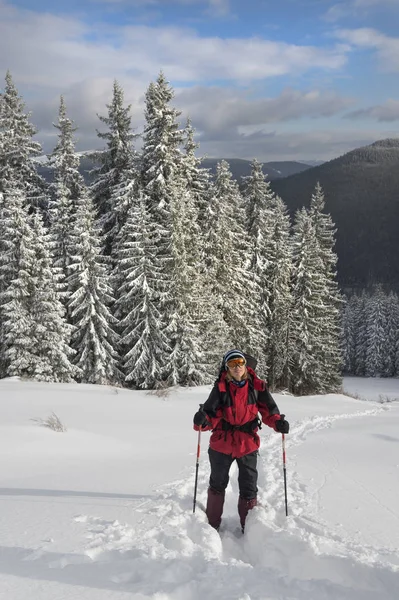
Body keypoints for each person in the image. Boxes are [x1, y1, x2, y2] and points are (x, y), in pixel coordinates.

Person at [193, 349, 289, 532]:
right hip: (222, 442)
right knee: (217, 483)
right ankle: (212, 527)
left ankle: (250, 528)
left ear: (245, 365)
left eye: (240, 363)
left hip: (247, 443)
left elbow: (270, 412)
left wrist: (279, 423)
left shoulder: (257, 387)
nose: (236, 367)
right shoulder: (220, 388)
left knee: (249, 486)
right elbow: (209, 415)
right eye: (232, 364)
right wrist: (201, 422)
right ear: (226, 368)